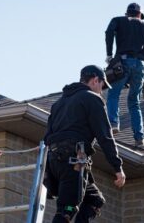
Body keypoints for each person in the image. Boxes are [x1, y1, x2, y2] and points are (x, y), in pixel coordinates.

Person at [44, 65, 126, 223]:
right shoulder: (92, 98)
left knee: (94, 200)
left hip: (56, 161)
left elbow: (47, 137)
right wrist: (117, 167)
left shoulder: (58, 104)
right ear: (96, 80)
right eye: (102, 86)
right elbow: (105, 137)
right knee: (67, 209)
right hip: (73, 160)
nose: (101, 91)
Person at [105, 2, 144, 148]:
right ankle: (140, 138)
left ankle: (113, 123)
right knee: (134, 102)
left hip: (122, 63)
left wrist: (109, 54)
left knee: (113, 94)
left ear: (127, 13)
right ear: (140, 15)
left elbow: (109, 32)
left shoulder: (118, 20)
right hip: (139, 65)